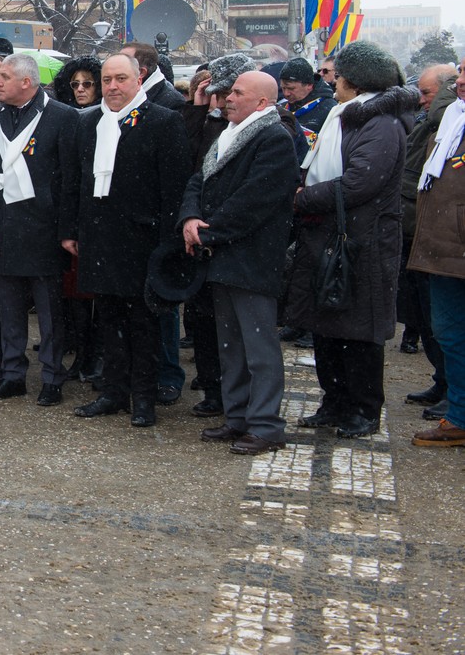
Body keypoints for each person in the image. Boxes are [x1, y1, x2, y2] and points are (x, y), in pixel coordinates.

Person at [285, 41, 410, 439]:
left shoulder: (382, 124)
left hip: (363, 242)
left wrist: (304, 198)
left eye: (339, 75)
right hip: (330, 236)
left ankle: (363, 409)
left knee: (358, 330)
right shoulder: (344, 115)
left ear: (356, 82)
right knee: (327, 326)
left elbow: (359, 183)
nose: (333, 81)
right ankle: (334, 401)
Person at [179, 71, 301, 455]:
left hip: (251, 260)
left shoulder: (274, 139)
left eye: (237, 92)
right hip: (223, 256)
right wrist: (189, 218)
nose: (227, 98)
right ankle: (237, 418)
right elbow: (198, 180)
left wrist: (207, 231)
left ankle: (266, 426)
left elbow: (254, 200)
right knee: (231, 345)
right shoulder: (228, 134)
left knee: (259, 348)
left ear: (262, 103)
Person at [71, 54, 191, 428]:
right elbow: (76, 184)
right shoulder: (91, 122)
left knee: (144, 326)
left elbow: (173, 189)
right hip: (100, 240)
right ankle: (113, 391)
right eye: (106, 80)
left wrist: (166, 244)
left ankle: (143, 398)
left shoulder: (164, 121)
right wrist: (71, 231)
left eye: (120, 79)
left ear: (138, 80)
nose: (112, 87)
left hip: (142, 242)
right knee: (108, 321)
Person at [0, 52, 80, 406]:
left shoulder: (63, 118)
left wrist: (67, 229)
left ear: (26, 82)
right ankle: (12, 374)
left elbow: (70, 179)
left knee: (49, 311)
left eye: (3, 76)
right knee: (9, 308)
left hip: (44, 227)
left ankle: (52, 376)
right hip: (5, 225)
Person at [408, 69, 465, 446]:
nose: (460, 83)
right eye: (460, 74)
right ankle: (458, 415)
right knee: (449, 333)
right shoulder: (453, 118)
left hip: (454, 246)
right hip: (443, 248)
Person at [278, 57, 336, 141]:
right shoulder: (281, 109)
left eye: (291, 89)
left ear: (309, 85)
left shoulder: (330, 110)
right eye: (283, 88)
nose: (286, 93)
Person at [122, 42, 186, 110]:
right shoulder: (117, 94)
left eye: (122, 63)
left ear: (141, 72)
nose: (115, 66)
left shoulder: (172, 102)